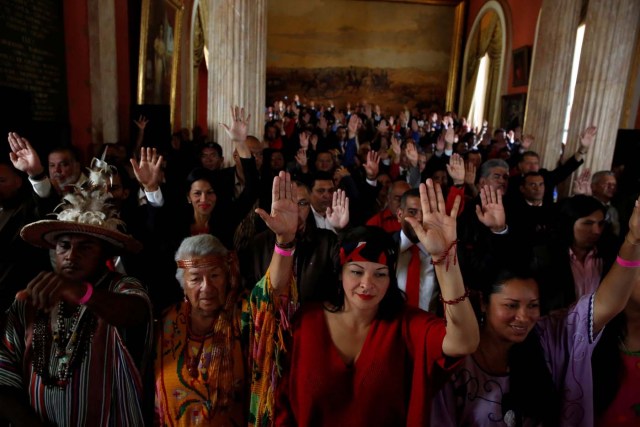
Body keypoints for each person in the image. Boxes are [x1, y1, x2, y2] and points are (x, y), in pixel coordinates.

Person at [275, 179, 480, 425]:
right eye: (356, 272)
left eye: (380, 274)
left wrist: (445, 258)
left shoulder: (407, 325)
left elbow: (464, 342)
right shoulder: (306, 322)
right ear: (340, 273)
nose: (367, 283)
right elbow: (283, 403)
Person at [431, 191, 640, 427]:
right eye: (511, 305)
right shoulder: (457, 360)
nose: (523, 317)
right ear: (483, 302)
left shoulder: (548, 336)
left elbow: (604, 305)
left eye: (533, 306)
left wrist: (633, 240)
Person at [0, 158, 152, 425]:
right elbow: (3, 380)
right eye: (64, 246)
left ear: (104, 252)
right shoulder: (31, 300)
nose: (71, 255)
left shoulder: (121, 287)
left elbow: (135, 313)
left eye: (85, 247)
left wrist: (79, 291)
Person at [154, 171, 300, 426]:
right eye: (196, 279)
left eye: (215, 276)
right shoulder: (166, 322)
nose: (207, 287)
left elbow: (272, 293)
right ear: (182, 284)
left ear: (228, 277)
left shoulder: (241, 314)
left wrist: (285, 242)